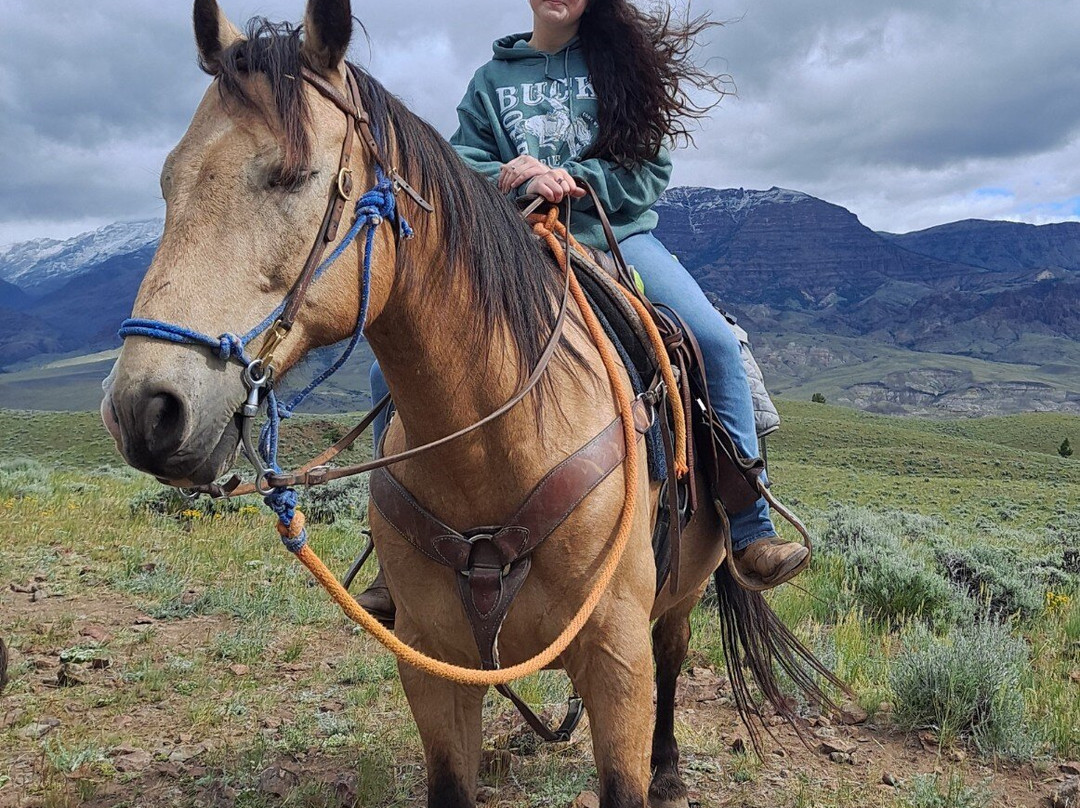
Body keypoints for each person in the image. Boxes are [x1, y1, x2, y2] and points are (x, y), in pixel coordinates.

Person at [359, 0, 806, 626]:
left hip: (617, 237)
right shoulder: (491, 81)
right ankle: (394, 550)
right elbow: (457, 164)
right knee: (391, 372)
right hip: (516, 244)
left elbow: (649, 167)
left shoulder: (615, 66)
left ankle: (749, 528)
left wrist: (574, 178)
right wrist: (513, 175)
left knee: (715, 343)